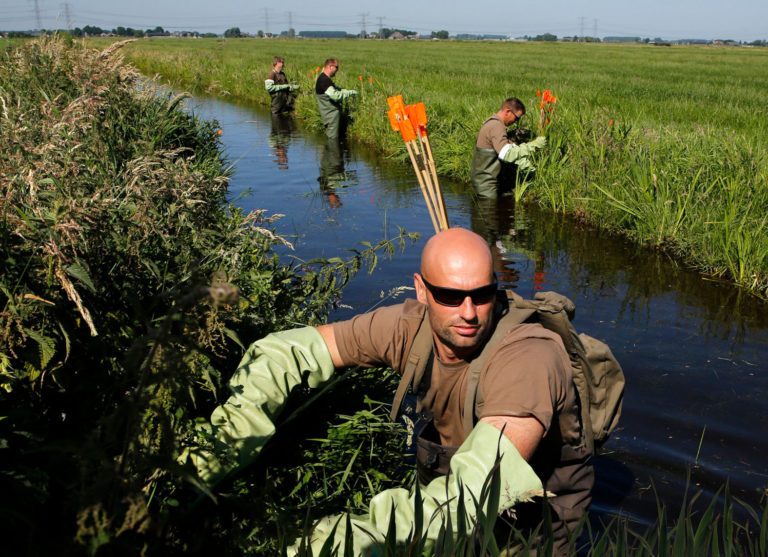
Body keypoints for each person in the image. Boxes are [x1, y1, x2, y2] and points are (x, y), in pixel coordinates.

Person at [189, 228, 592, 556]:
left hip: (528, 519)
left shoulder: (530, 358)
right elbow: (287, 351)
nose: (468, 312)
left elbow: (477, 490)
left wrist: (345, 540)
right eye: (450, 296)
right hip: (450, 494)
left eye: (482, 295)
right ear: (421, 290)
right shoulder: (407, 327)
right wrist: (221, 448)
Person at [472, 97, 547, 198]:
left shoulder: (491, 122)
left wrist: (513, 135)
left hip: (483, 183)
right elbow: (506, 154)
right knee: (489, 213)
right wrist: (533, 145)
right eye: (516, 118)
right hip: (487, 188)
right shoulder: (496, 126)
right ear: (508, 111)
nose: (516, 121)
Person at [314, 58, 358, 140]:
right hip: (331, 117)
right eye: (336, 67)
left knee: (331, 139)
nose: (337, 70)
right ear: (330, 67)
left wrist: (345, 90)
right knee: (332, 140)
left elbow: (335, 89)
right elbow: (335, 96)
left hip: (329, 116)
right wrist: (349, 93)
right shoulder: (324, 80)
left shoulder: (323, 78)